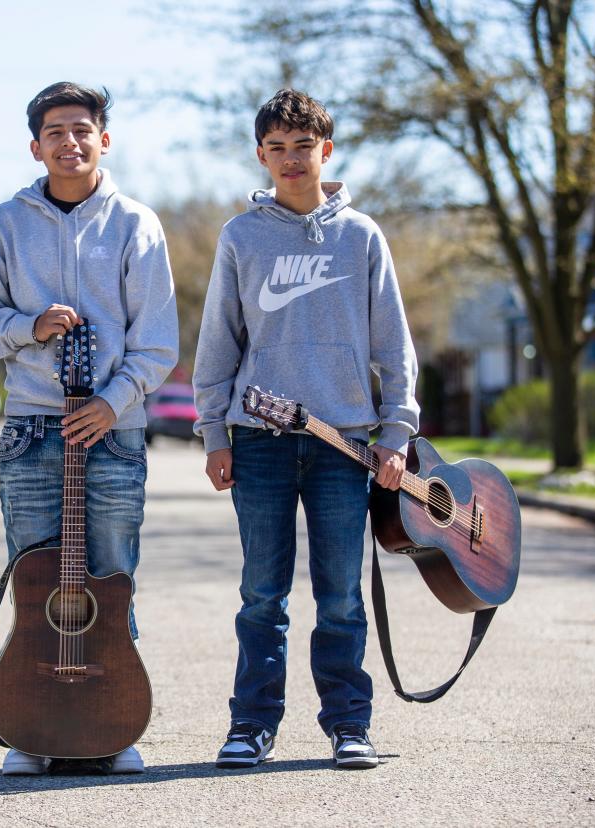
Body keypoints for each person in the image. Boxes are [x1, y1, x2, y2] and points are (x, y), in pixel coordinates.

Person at [192, 88, 419, 771]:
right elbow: (217, 345)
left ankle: (349, 724)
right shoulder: (241, 236)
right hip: (257, 441)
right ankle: (252, 726)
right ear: (261, 156)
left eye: (303, 146)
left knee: (342, 594)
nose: (291, 160)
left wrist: (397, 431)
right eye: (277, 148)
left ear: (327, 150)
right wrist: (214, 434)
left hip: (343, 446)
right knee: (262, 592)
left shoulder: (361, 236)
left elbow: (394, 345)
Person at [0, 82, 179, 776]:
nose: (70, 142)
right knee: (36, 581)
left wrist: (113, 400)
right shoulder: (3, 225)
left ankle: (113, 728)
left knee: (111, 581)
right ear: (36, 145)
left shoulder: (136, 225)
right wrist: (28, 327)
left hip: (112, 432)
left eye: (82, 129)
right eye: (55, 131)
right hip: (30, 428)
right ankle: (32, 730)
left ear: (103, 140)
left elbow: (158, 342)